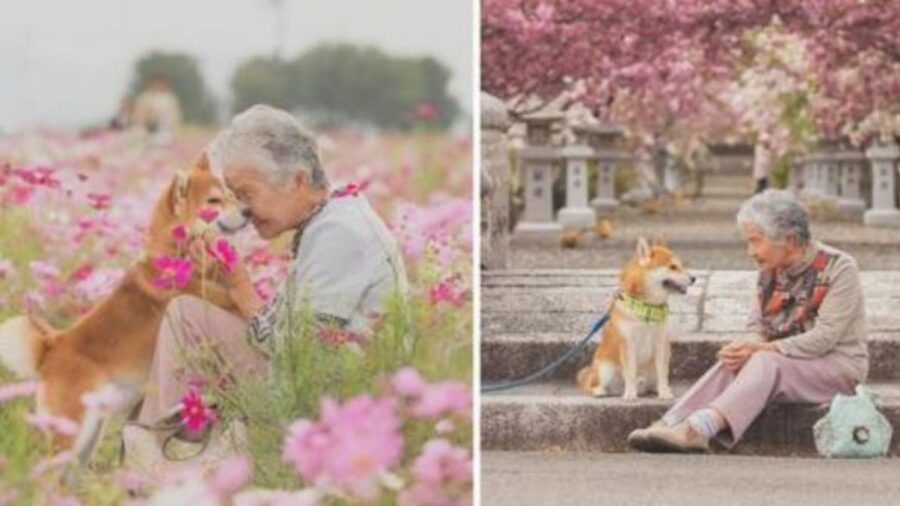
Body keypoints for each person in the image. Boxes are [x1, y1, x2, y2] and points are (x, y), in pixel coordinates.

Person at [135, 104, 410, 427]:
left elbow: (302, 352)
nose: (243, 212)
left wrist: (240, 288)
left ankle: (158, 446)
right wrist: (223, 280)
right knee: (189, 314)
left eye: (247, 194)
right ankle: (165, 435)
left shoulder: (340, 233)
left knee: (187, 318)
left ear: (297, 181)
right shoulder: (330, 215)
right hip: (322, 378)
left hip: (339, 399)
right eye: (235, 196)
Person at [627, 189, 869, 453]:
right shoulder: (768, 272)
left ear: (789, 239)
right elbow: (757, 326)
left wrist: (762, 349)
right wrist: (746, 345)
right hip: (782, 363)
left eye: (756, 241)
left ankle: (696, 431)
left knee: (764, 359)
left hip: (837, 368)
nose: (750, 251)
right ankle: (672, 421)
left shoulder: (839, 267)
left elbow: (825, 338)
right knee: (739, 358)